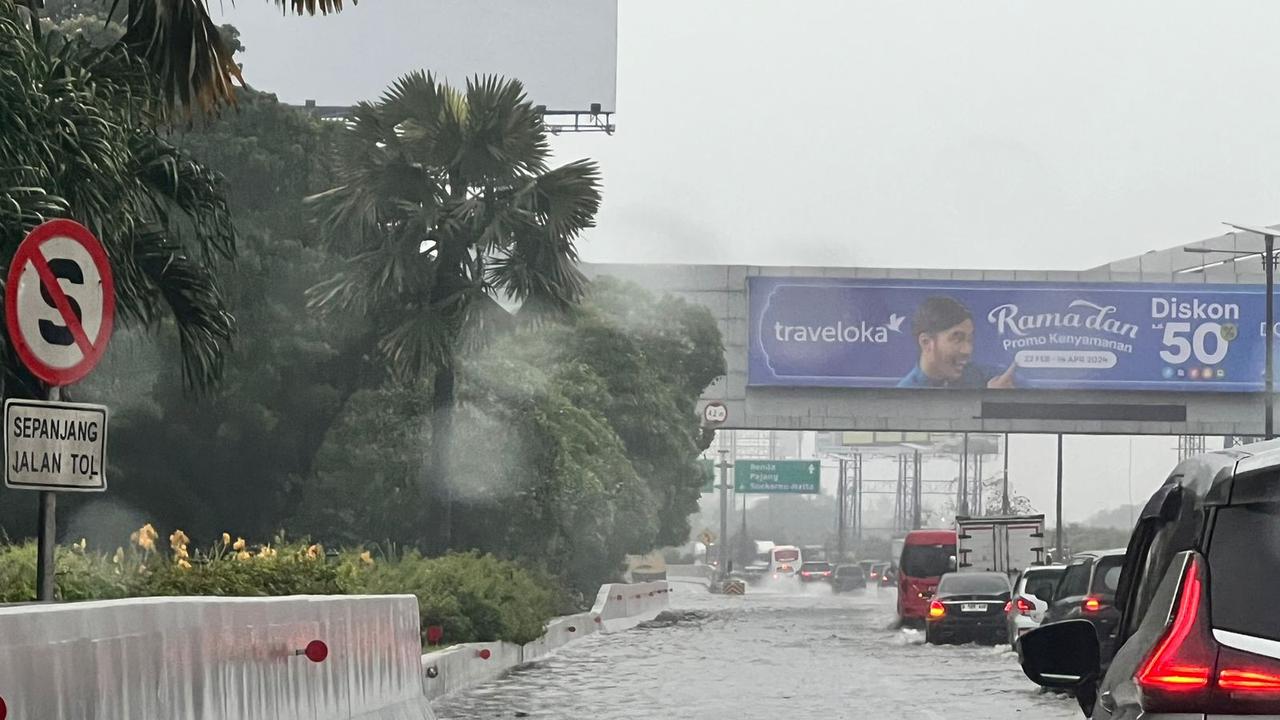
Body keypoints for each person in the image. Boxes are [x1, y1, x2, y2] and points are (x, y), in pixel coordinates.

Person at [897, 296, 1016, 389]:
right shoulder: (904, 394)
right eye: (957, 339)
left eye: (970, 340)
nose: (968, 350)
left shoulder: (985, 375)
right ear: (926, 342)